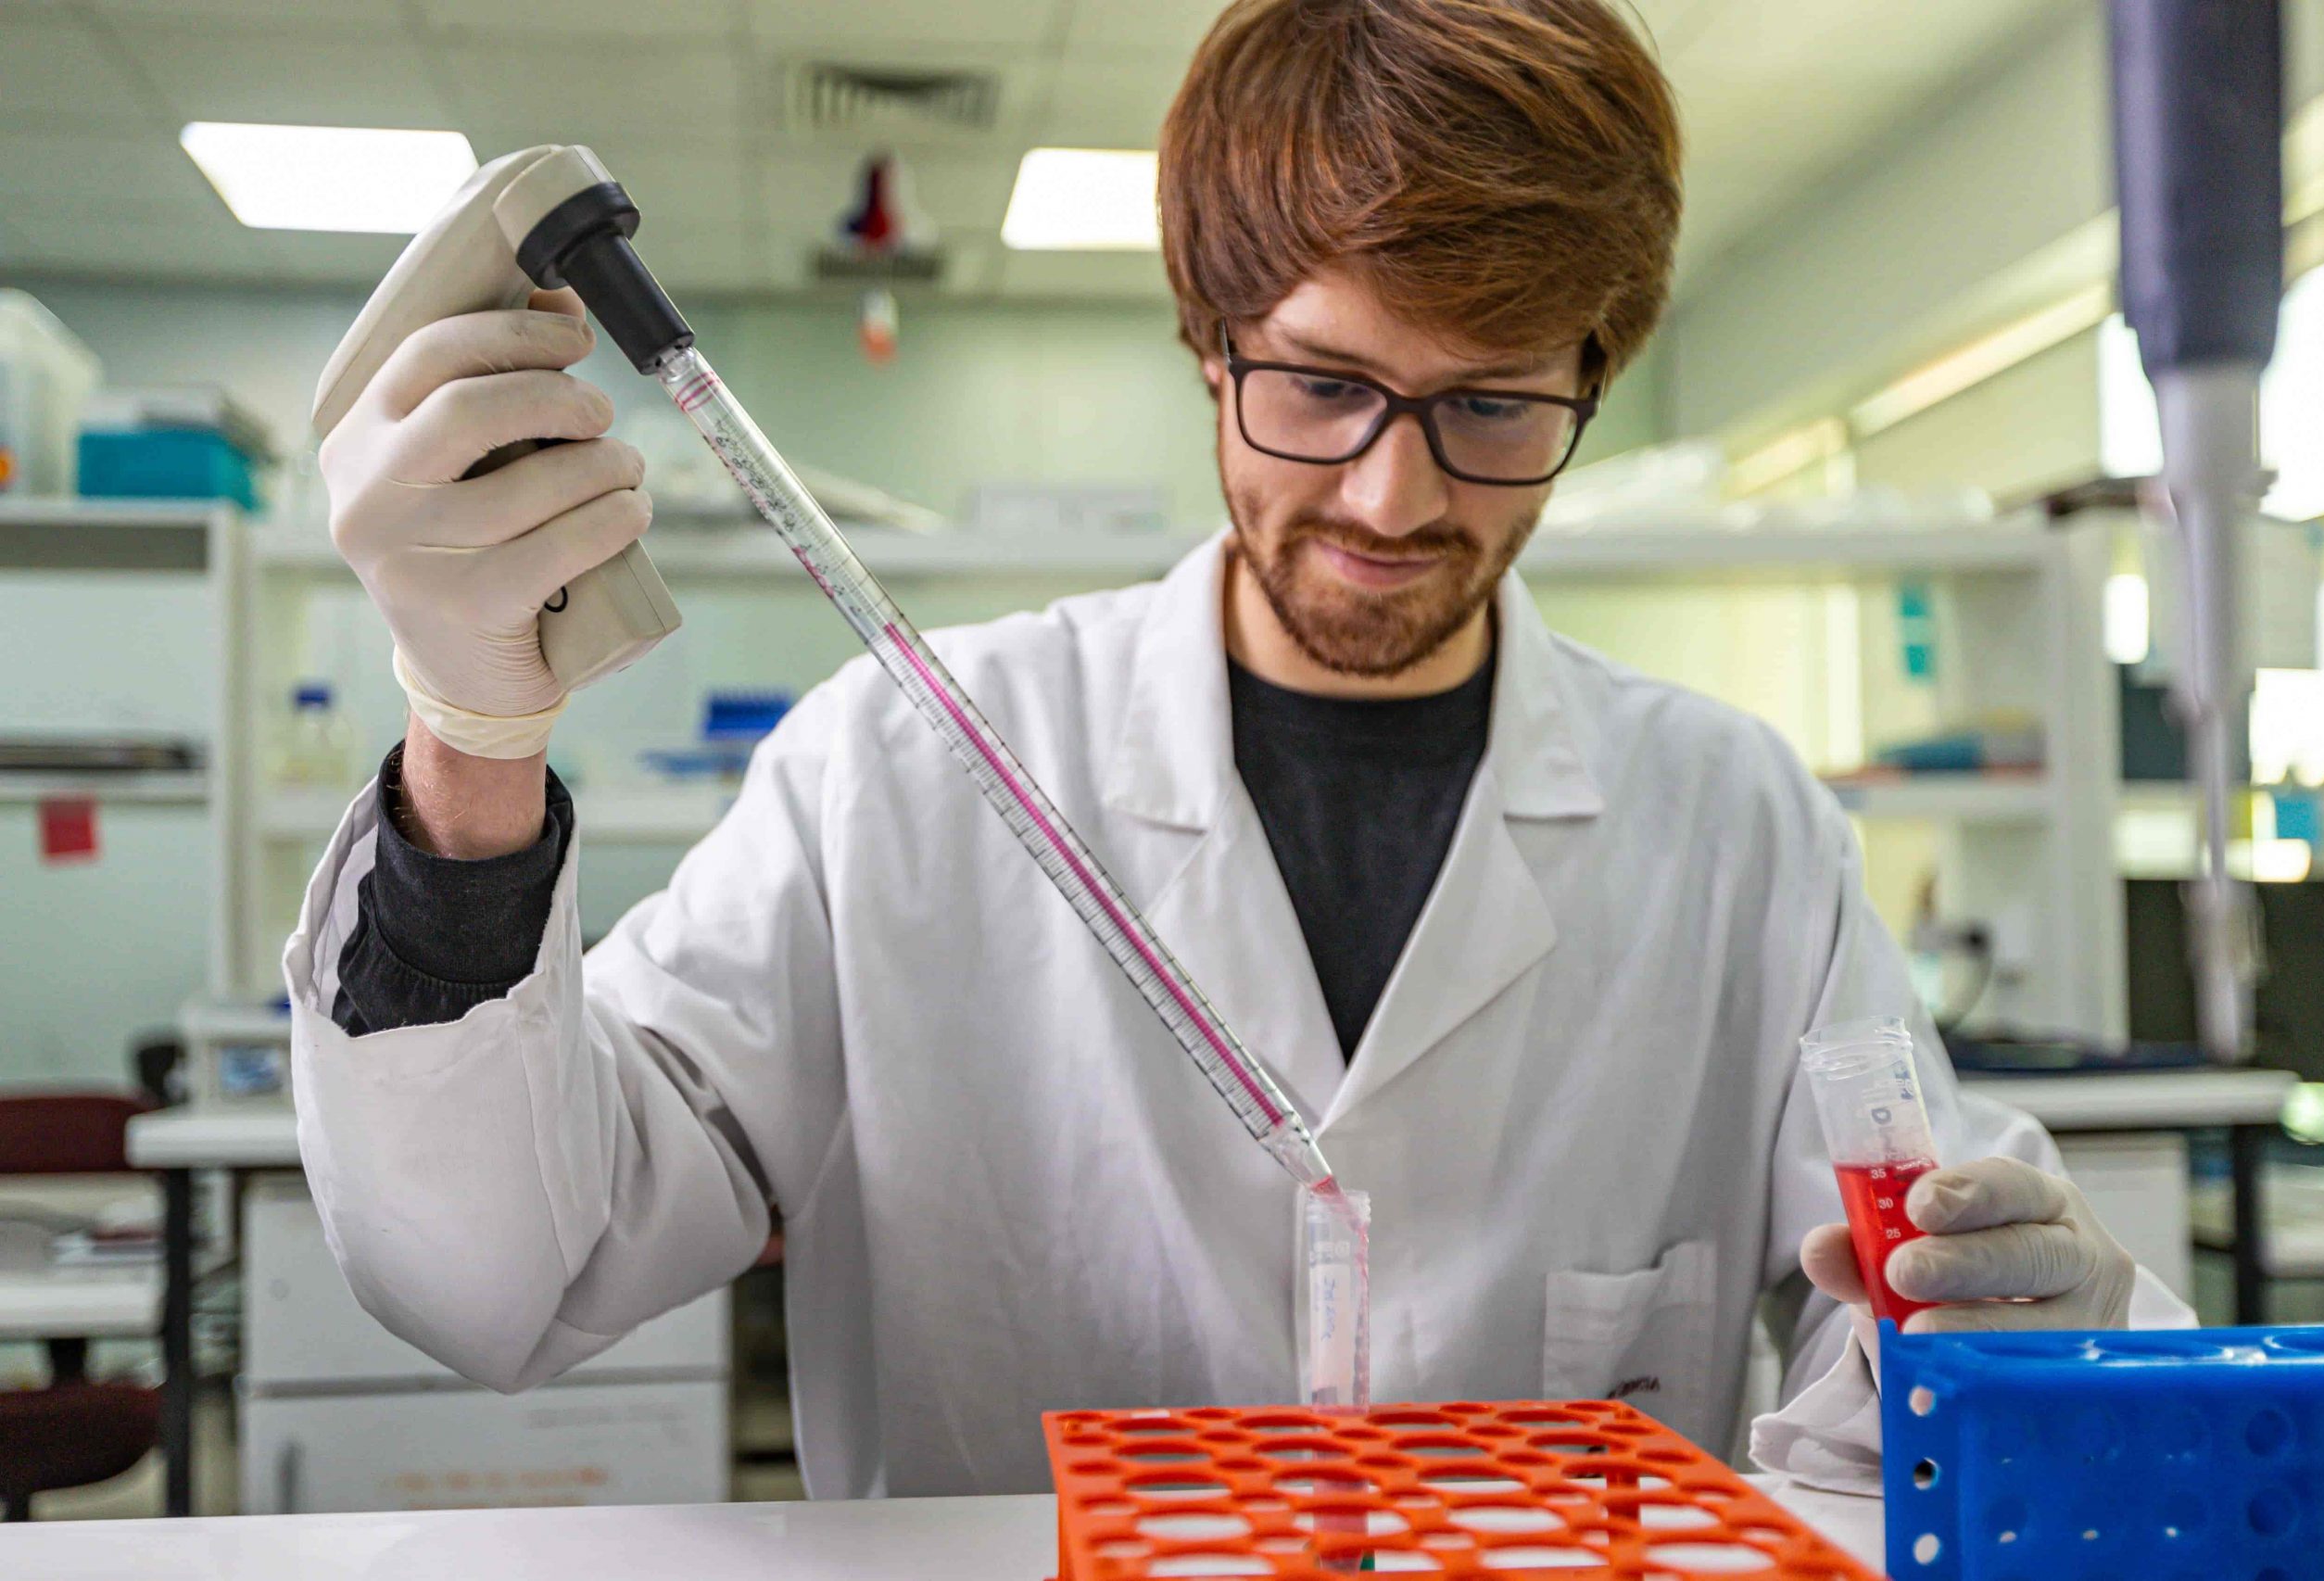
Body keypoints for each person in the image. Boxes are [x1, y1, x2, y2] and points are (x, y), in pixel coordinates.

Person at [293, 0, 2186, 1499]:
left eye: (1488, 406)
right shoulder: (903, 765)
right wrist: (474, 742)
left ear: (1587, 382)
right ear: (1207, 345)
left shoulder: (1728, 816)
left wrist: (2012, 1328)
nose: (1389, 490)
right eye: (1321, 384)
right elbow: (503, 1279)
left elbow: (1915, 1317)